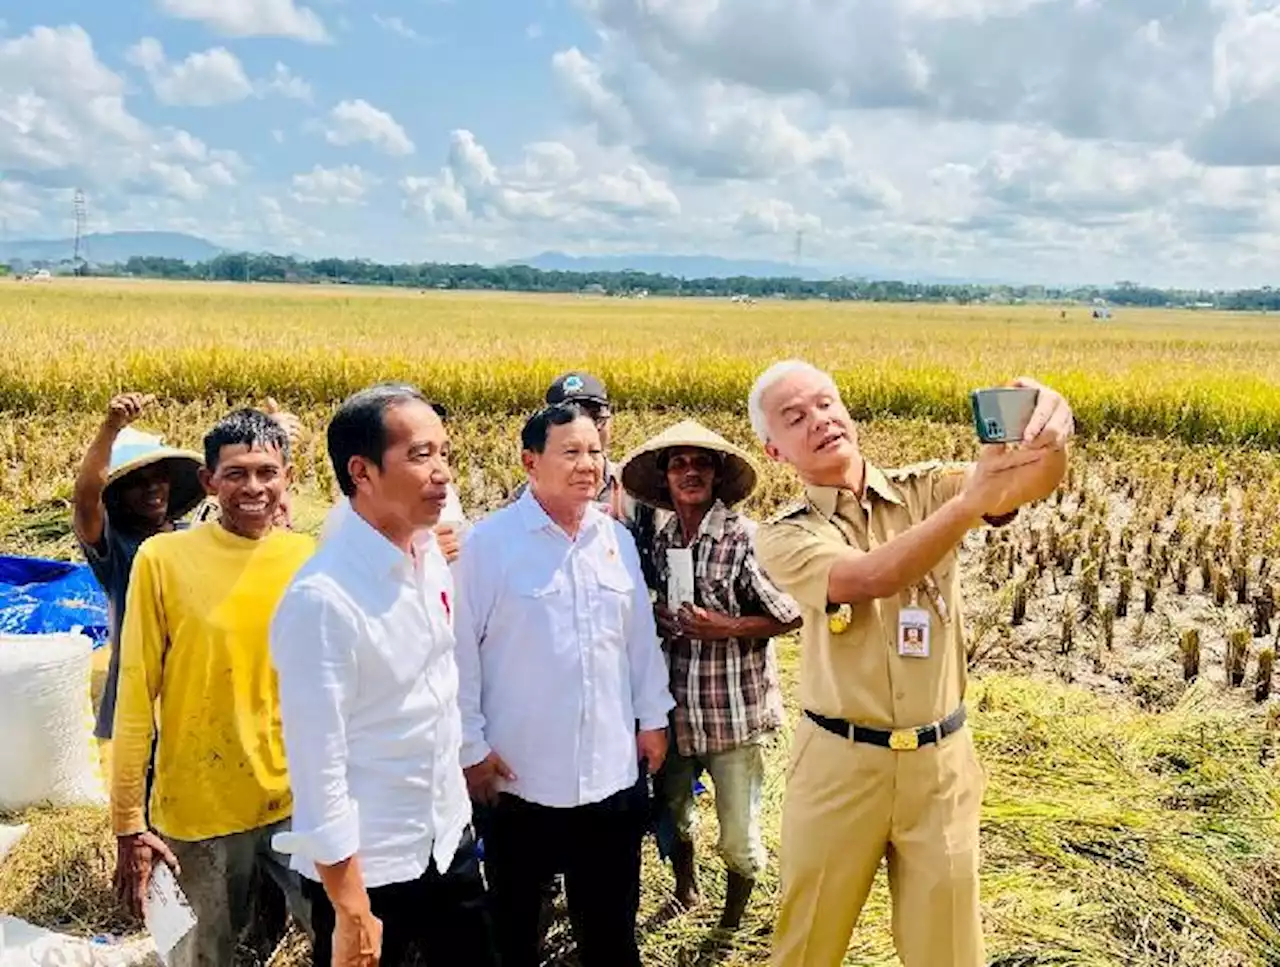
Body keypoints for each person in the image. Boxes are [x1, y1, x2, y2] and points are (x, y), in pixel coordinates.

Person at [747, 361, 1074, 967]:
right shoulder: (782, 536)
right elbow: (870, 576)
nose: (819, 420)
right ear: (774, 449)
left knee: (948, 949)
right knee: (807, 945)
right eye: (795, 418)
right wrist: (969, 504)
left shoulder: (928, 488)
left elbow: (1027, 483)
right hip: (838, 766)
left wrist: (1048, 432)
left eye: (826, 403)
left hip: (941, 766)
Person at [270, 384, 500, 967]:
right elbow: (318, 769)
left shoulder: (431, 566)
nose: (442, 473)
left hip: (448, 844)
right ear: (362, 472)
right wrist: (351, 909)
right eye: (421, 456)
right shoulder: (324, 600)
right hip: (370, 870)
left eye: (444, 453)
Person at [453, 403, 675, 967]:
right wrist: (471, 748)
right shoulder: (490, 544)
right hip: (521, 780)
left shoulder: (615, 539)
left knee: (610, 934)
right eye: (570, 453)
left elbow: (639, 640)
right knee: (517, 930)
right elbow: (459, 655)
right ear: (531, 462)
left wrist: (653, 718)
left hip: (611, 776)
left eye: (595, 452)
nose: (587, 465)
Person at [110, 409, 316, 966]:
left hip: (299, 798)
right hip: (200, 807)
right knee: (203, 954)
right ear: (208, 481)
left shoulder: (308, 558)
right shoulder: (164, 559)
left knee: (343, 936)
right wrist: (128, 821)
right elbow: (134, 693)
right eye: (236, 474)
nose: (254, 487)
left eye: (267, 472)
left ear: (288, 478)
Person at [619, 419, 802, 929]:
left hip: (732, 715)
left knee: (739, 835)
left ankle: (731, 924)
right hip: (675, 711)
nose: (690, 472)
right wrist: (660, 619)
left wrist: (728, 627)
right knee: (673, 814)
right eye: (679, 464)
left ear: (718, 477)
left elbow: (794, 613)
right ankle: (686, 889)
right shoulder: (664, 540)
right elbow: (665, 609)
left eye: (702, 463)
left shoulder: (746, 539)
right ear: (666, 479)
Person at [72, 392, 204, 742]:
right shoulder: (116, 547)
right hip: (140, 690)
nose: (152, 489)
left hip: (195, 685)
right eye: (137, 482)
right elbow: (86, 499)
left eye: (158, 478)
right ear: (116, 496)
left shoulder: (193, 537)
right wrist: (110, 428)